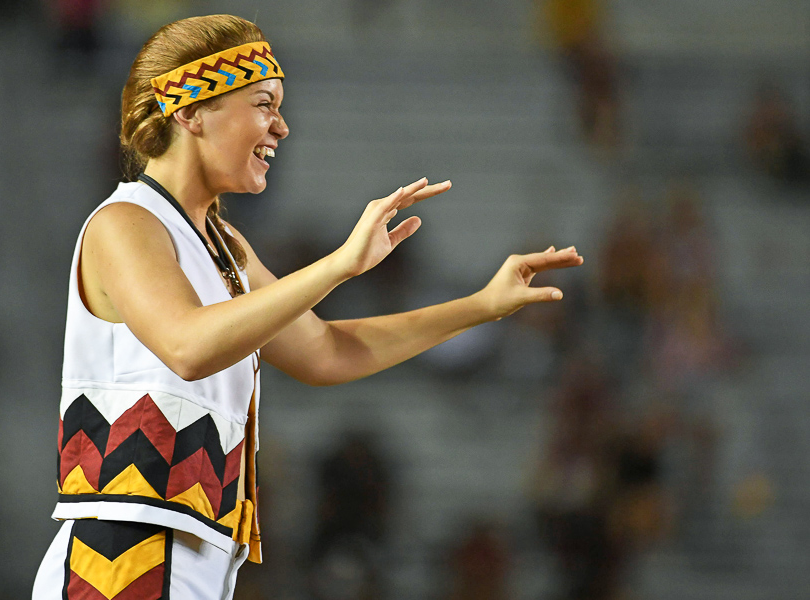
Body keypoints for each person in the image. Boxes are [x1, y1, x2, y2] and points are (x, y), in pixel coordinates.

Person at [32, 14, 584, 600]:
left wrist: (478, 306)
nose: (282, 127)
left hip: (186, 562)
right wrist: (342, 263)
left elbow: (326, 351)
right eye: (264, 103)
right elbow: (188, 346)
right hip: (116, 560)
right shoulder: (126, 223)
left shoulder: (226, 246)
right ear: (189, 110)